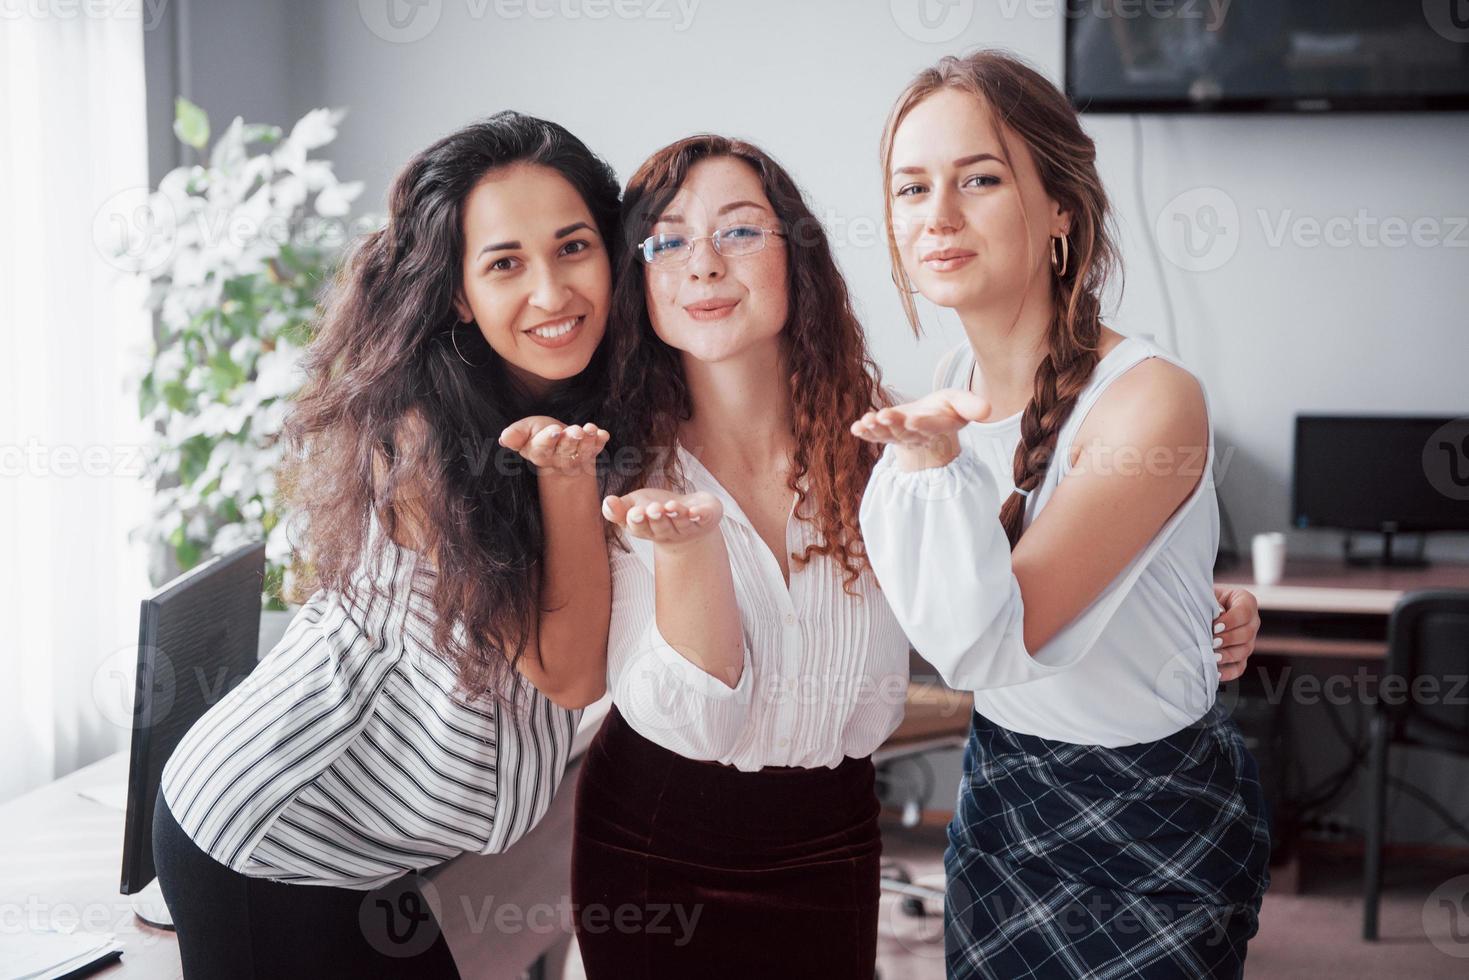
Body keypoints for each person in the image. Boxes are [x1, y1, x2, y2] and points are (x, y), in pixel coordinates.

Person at [571, 131, 1261, 978]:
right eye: (667, 240)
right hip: (657, 837)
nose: (703, 264)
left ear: (801, 255)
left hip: (833, 834)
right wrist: (689, 553)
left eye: (740, 230)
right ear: (638, 276)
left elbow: (996, 585)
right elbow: (691, 718)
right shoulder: (612, 464)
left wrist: (1191, 599)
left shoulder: (893, 437)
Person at [152, 111, 620, 979]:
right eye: (505, 263)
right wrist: (566, 477)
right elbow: (569, 670)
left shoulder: (575, 393)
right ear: (456, 292)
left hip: (365, 853)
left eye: (573, 247)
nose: (552, 293)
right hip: (263, 836)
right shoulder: (428, 440)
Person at [853, 51, 1271, 979]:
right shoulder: (952, 386)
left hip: (1147, 815)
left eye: (979, 179)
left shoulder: (1150, 399)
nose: (938, 216)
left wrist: (927, 468)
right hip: (1006, 790)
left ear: (1059, 212)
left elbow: (990, 641)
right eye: (911, 188)